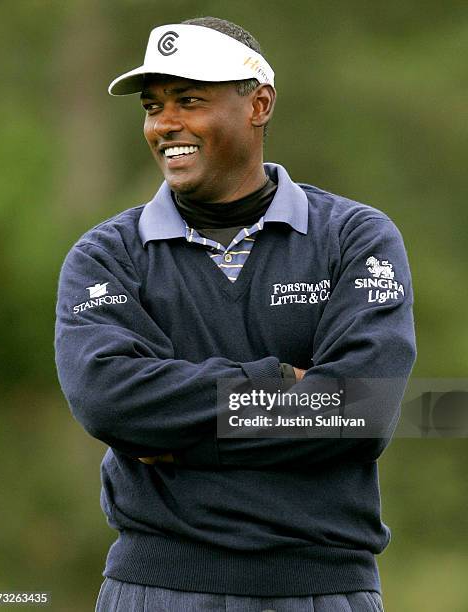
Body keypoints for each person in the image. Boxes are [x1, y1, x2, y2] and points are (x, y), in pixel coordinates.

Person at [54, 16, 416, 612]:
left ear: (259, 105)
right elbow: (107, 400)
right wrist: (277, 385)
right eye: (153, 106)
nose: (165, 124)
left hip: (322, 590)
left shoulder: (355, 238)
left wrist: (174, 434)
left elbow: (364, 408)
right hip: (155, 589)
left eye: (190, 100)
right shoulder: (108, 255)